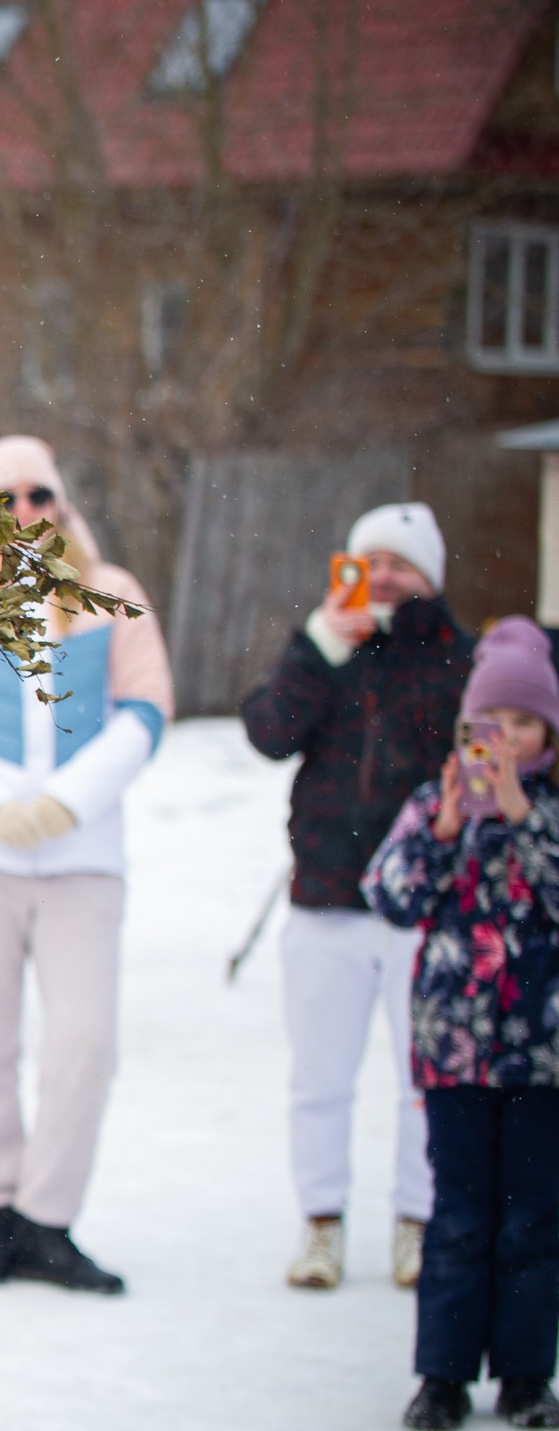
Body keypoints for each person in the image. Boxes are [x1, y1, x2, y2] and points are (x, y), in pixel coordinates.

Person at [0, 435, 172, 1296]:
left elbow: (146, 711)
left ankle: (49, 1217)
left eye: (38, 495)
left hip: (82, 860)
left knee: (83, 1042)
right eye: (6, 497)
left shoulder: (110, 592)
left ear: (60, 501)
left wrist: (68, 802)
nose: (23, 512)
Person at [242, 502, 471, 1291]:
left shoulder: (460, 659)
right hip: (326, 894)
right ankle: (321, 1221)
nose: (384, 577)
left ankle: (419, 1221)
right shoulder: (325, 648)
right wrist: (320, 645)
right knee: (320, 1076)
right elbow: (269, 732)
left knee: (427, 1081)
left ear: (429, 575)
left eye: (400, 564)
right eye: (370, 563)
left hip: (426, 905)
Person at [362, 618, 559, 1431]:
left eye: (524, 723)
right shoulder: (433, 807)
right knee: (459, 1213)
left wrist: (523, 818)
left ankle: (524, 1374)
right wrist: (444, 831)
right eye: (491, 723)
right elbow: (389, 894)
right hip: (454, 1053)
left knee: (534, 1217)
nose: (506, 740)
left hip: (541, 1056)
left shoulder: (547, 813)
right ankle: (442, 1374)